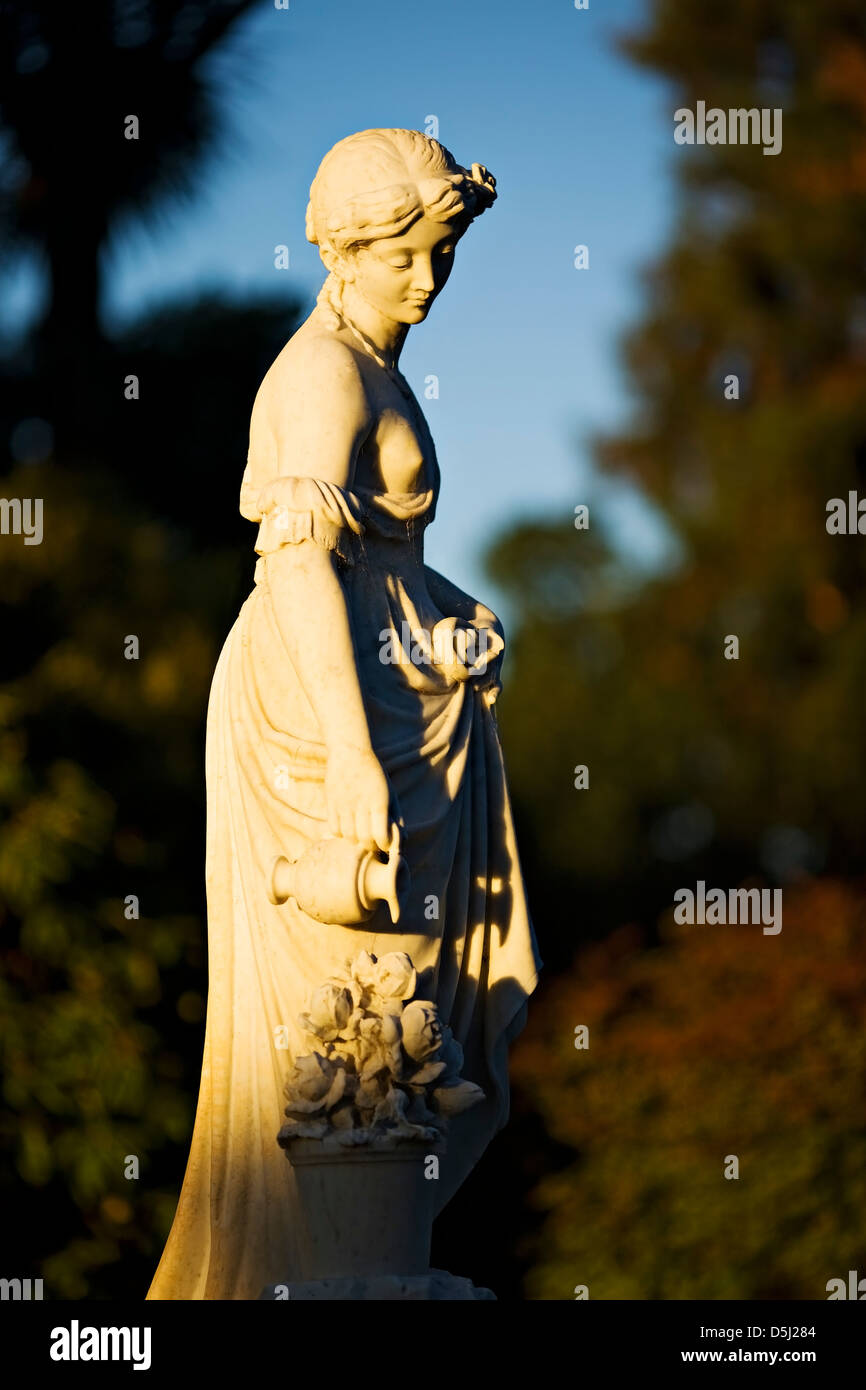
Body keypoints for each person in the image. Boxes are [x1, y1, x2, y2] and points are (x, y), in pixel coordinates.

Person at [147, 128, 541, 1300]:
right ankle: (339, 1279)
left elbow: (377, 554)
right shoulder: (319, 372)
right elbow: (298, 567)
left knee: (398, 1014)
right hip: (322, 712)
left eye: (441, 254)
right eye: (405, 256)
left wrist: (448, 614)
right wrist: (356, 754)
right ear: (346, 248)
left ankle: (361, 1270)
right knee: (355, 1012)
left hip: (382, 688)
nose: (425, 281)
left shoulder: (376, 363)